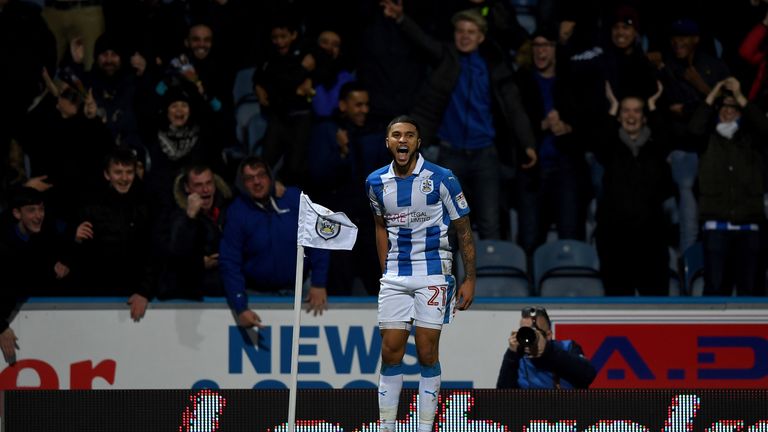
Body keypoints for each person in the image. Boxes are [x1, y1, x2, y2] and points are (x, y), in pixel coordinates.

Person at [380, 1, 537, 240]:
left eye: (471, 32)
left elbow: (514, 108)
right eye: (460, 31)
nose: (464, 37)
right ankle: (449, 279)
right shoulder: (446, 58)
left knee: (490, 224)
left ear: (481, 37)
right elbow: (422, 40)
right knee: (450, 226)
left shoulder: (493, 67)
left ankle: (488, 276)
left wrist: (528, 144)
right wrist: (402, 18)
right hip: (450, 153)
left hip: (485, 154)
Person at [366, 115, 476, 432]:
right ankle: (386, 426)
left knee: (427, 352)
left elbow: (464, 230)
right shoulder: (375, 182)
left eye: (410, 135)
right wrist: (385, 269)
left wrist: (470, 278)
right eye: (396, 135)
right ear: (388, 142)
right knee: (390, 350)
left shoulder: (442, 178)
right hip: (395, 276)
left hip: (432, 273)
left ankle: (424, 427)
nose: (403, 140)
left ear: (418, 142)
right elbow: (379, 227)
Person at [219, 156, 330, 328]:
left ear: (270, 177)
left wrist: (319, 282)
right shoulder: (237, 212)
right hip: (258, 293)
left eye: (261, 175)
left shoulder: (293, 198)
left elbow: (319, 239)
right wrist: (240, 307)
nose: (257, 182)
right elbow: (230, 261)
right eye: (249, 178)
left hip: (303, 288)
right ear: (242, 183)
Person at [688, 77, 768, 296]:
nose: (728, 111)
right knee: (714, 289)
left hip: (749, 226)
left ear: (742, 111)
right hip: (716, 227)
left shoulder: (752, 140)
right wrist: (713, 93)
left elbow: (764, 126)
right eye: (723, 106)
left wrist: (741, 96)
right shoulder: (707, 139)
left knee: (751, 290)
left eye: (734, 107)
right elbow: (694, 129)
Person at [595, 83, 675, 296]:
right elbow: (601, 144)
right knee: (618, 304)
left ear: (644, 116)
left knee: (655, 304)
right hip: (616, 243)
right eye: (626, 110)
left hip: (651, 243)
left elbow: (666, 142)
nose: (631, 115)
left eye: (637, 110)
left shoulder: (654, 150)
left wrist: (653, 106)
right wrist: (612, 108)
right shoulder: (611, 149)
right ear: (619, 116)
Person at [72, 148, 152, 321]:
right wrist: (75, 239)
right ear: (107, 175)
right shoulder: (90, 207)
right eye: (118, 172)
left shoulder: (147, 206)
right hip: (96, 296)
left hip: (135, 296)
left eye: (129, 172)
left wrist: (144, 291)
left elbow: (154, 252)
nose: (124, 178)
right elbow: (76, 257)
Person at [154, 163, 232, 300]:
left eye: (209, 183)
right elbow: (174, 255)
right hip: (186, 296)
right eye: (198, 185)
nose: (206, 189)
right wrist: (189, 218)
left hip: (223, 291)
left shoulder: (228, 207)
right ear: (187, 188)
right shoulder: (174, 215)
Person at [496, 306, 596, 389]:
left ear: (548, 335)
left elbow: (588, 375)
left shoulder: (567, 347)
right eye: (525, 332)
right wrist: (511, 354)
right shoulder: (517, 357)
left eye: (533, 332)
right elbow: (503, 397)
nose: (528, 337)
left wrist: (548, 351)